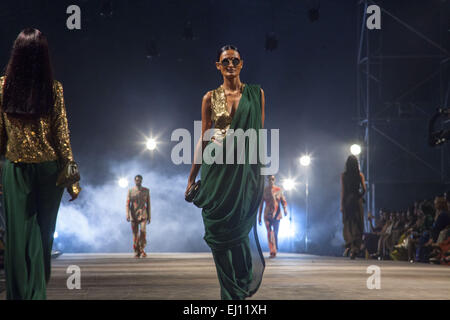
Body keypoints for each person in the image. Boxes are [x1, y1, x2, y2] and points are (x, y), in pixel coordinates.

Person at [0, 28, 80, 300]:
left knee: (18, 236)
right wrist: (72, 179)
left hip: (15, 169)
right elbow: (62, 135)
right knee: (42, 235)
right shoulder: (53, 88)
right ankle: (36, 293)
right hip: (48, 171)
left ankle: (20, 294)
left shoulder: (2, 86)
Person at [186, 45, 265, 300]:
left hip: (244, 174)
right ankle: (230, 297)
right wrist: (191, 176)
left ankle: (240, 285)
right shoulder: (210, 98)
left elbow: (258, 136)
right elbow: (205, 138)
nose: (230, 64)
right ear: (218, 66)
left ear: (242, 64)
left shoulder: (257, 94)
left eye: (235, 60)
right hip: (216, 174)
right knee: (219, 232)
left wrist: (259, 173)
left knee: (241, 230)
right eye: (225, 61)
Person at [340, 155, 366, 259]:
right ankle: (355, 248)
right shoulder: (360, 175)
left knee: (348, 224)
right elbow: (364, 189)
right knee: (358, 224)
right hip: (357, 201)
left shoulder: (343, 176)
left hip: (347, 201)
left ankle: (350, 246)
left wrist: (342, 205)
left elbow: (343, 192)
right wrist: (359, 196)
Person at [258, 175, 288, 258]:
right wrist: (259, 216)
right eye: (270, 179)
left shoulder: (278, 190)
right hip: (267, 214)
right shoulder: (264, 190)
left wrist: (285, 209)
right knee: (269, 231)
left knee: (275, 232)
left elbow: (283, 201)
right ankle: (272, 249)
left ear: (274, 180)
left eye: (272, 179)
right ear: (268, 180)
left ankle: (275, 247)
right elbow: (261, 204)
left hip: (277, 214)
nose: (271, 180)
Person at [126, 175, 151, 258]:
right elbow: (127, 204)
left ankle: (142, 249)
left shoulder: (146, 190)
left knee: (143, 232)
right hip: (133, 215)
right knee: (135, 234)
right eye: (137, 180)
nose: (138, 182)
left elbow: (149, 204)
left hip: (143, 214)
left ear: (141, 181)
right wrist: (127, 214)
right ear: (134, 181)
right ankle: (136, 251)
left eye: (139, 180)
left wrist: (149, 216)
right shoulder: (130, 191)